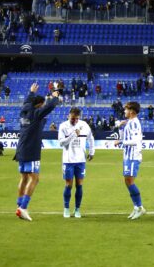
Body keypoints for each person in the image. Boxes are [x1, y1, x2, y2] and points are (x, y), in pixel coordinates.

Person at [14, 83, 60, 221]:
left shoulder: (25, 110)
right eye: (42, 104)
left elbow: (27, 101)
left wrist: (31, 92)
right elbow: (50, 106)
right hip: (31, 150)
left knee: (24, 178)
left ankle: (18, 205)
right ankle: (23, 207)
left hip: (21, 149)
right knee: (35, 178)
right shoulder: (36, 113)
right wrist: (55, 95)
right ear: (39, 104)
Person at [58, 107, 94, 218]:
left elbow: (91, 138)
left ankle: (77, 209)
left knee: (79, 185)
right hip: (68, 161)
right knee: (68, 185)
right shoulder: (63, 126)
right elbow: (61, 143)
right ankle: (66, 209)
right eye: (73, 119)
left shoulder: (84, 125)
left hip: (81, 160)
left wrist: (92, 152)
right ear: (69, 115)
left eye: (77, 119)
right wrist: (73, 135)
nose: (75, 121)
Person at [114, 102, 146, 220]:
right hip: (128, 155)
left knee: (130, 181)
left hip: (133, 156)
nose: (124, 112)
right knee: (127, 181)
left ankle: (140, 207)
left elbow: (136, 140)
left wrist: (120, 141)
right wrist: (122, 125)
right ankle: (136, 207)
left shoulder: (134, 123)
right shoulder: (130, 122)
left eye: (126, 110)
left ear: (132, 111)